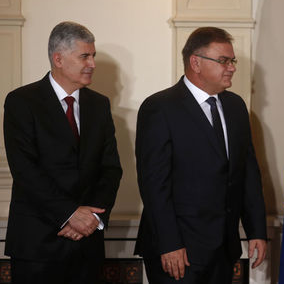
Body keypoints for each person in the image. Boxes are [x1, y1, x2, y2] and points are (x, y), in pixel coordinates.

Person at [134, 27, 267, 283]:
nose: (231, 67)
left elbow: (247, 173)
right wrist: (169, 243)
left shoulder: (236, 106)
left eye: (232, 61)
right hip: (178, 251)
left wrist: (256, 231)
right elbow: (154, 184)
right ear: (195, 62)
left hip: (223, 249)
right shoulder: (159, 108)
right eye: (223, 61)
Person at [3, 21, 122, 284]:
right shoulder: (21, 101)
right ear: (58, 58)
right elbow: (25, 170)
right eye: (84, 56)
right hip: (37, 245)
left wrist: (91, 219)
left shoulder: (99, 105)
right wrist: (70, 214)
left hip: (87, 244)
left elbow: (111, 169)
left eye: (93, 56)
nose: (92, 63)